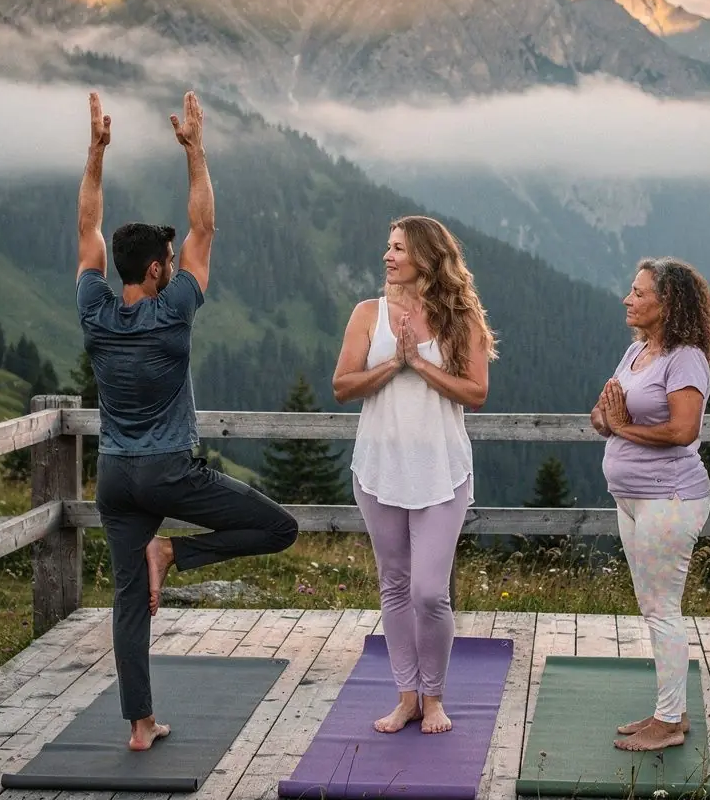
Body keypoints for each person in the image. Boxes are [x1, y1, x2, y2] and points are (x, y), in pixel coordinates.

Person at [76, 91, 298, 751]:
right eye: (166, 261)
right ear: (155, 269)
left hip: (115, 477)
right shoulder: (173, 312)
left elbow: (89, 228)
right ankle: (172, 552)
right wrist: (195, 149)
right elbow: (204, 230)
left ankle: (140, 727)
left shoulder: (94, 308)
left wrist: (96, 153)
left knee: (126, 604)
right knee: (277, 528)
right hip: (170, 472)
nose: (176, 264)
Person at [333, 216, 496, 735]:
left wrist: (420, 366)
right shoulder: (367, 314)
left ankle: (435, 697)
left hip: (442, 470)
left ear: (425, 257)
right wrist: (394, 366)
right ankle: (407, 697)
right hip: (380, 468)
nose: (388, 256)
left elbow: (476, 393)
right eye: (388, 247)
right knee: (395, 584)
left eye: (398, 248)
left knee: (430, 591)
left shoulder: (461, 318)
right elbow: (342, 385)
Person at [590, 257, 710, 752]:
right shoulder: (637, 351)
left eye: (640, 293)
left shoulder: (685, 358)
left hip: (669, 499)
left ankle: (668, 724)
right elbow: (606, 413)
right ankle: (671, 711)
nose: (628, 298)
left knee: (663, 610)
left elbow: (684, 430)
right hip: (632, 500)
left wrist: (621, 425)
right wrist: (606, 417)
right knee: (653, 607)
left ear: (668, 304)